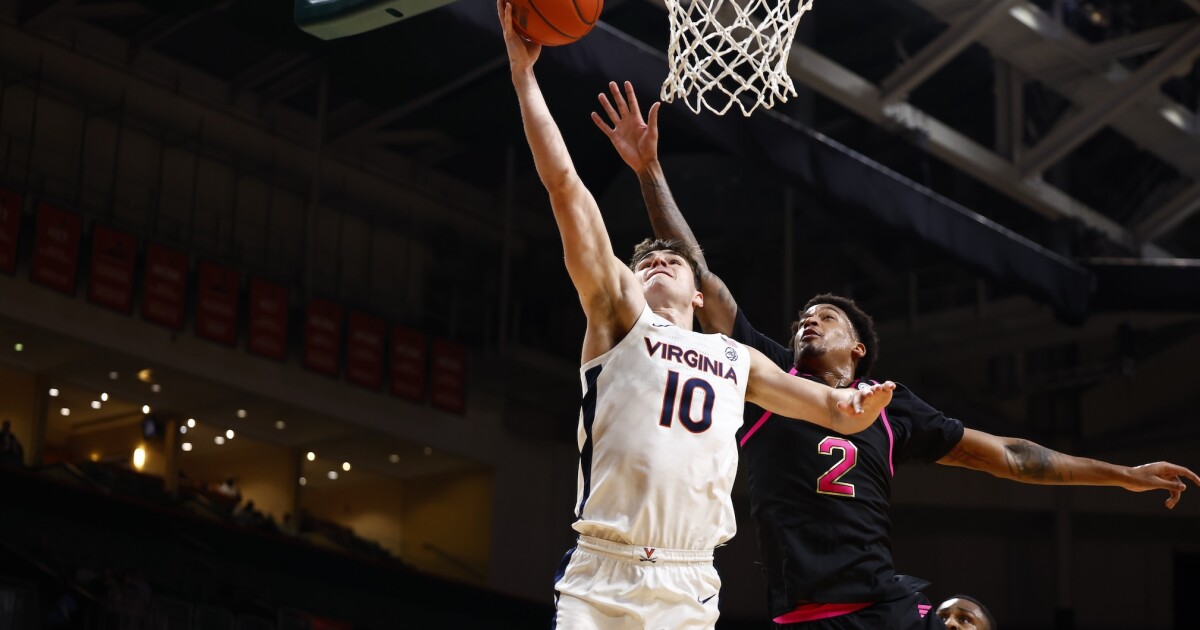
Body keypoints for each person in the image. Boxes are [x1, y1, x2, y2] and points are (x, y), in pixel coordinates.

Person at [592, 80, 1200, 628]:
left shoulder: (890, 410)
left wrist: (1122, 476)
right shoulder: (764, 374)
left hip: (882, 607)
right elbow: (704, 280)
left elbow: (1013, 457)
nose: (808, 321)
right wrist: (649, 170)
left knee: (965, 622)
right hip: (801, 614)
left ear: (857, 348)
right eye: (803, 316)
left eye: (825, 318)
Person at [496, 6, 897, 628]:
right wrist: (525, 78)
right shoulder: (617, 318)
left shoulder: (736, 358)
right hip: (604, 567)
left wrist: (853, 411)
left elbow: (820, 407)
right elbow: (566, 186)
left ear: (700, 295)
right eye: (645, 259)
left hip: (689, 578)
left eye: (671, 260)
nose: (656, 260)